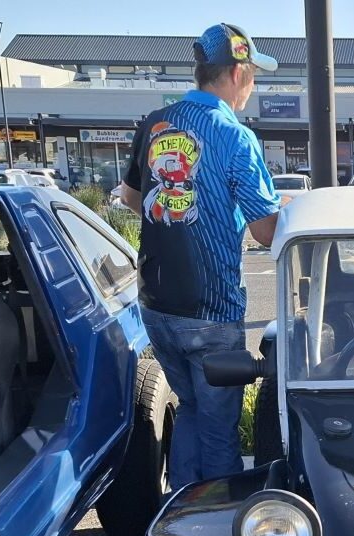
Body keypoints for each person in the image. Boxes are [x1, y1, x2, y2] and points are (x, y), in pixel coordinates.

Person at [120, 23, 286, 489]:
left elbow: (132, 198)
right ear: (236, 73)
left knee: (190, 409)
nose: (252, 86)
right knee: (218, 429)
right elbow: (266, 230)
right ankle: (219, 519)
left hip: (157, 304)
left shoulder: (155, 122)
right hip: (211, 310)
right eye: (253, 75)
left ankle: (181, 508)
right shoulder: (235, 136)